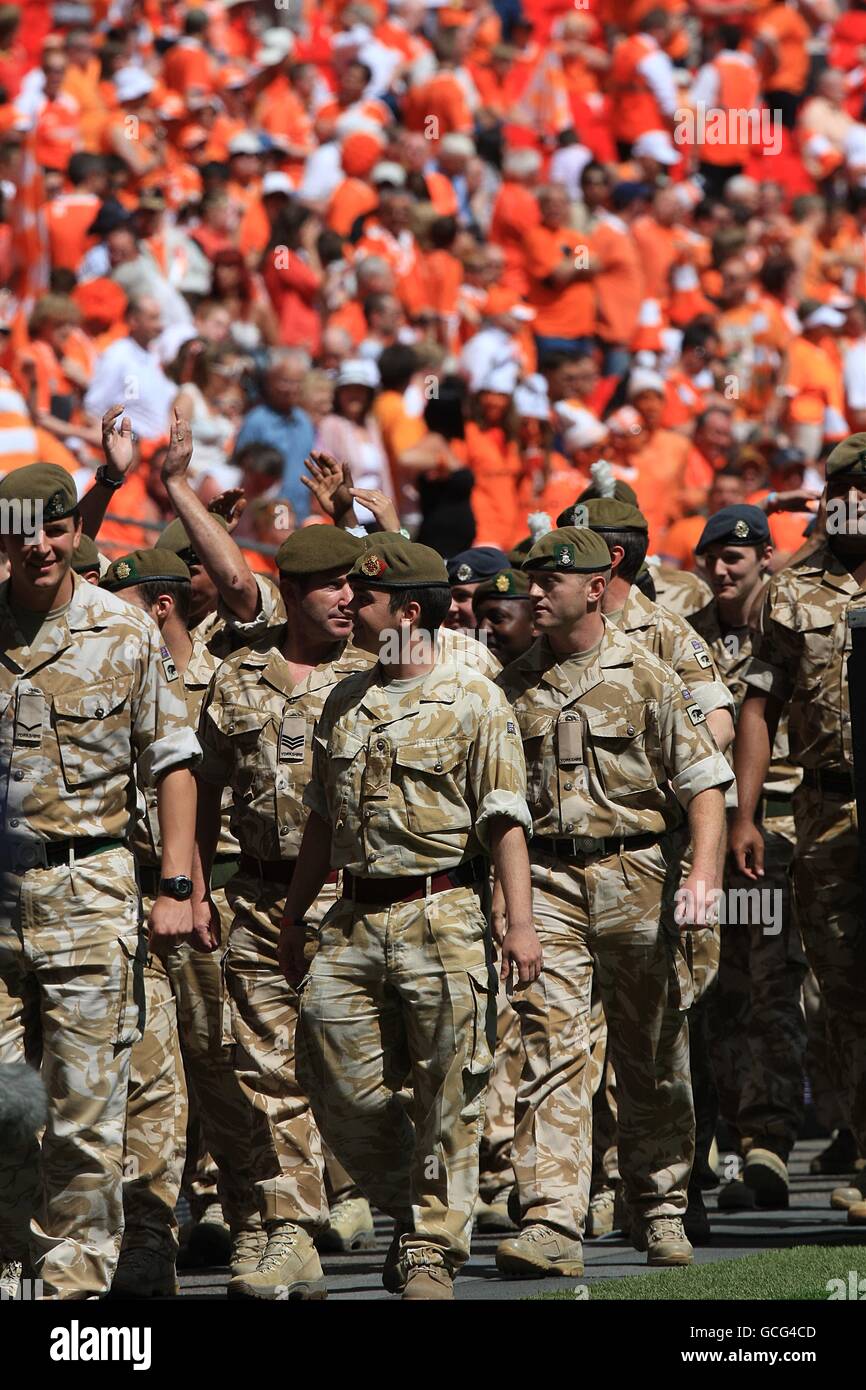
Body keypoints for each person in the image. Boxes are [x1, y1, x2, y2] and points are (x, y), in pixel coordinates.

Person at [279, 534, 539, 1300]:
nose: (348, 603)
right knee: (336, 1082)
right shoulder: (344, 697)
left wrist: (518, 922)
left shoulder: (473, 697)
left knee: (450, 1091)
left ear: (409, 612)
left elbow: (504, 819)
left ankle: (430, 1245)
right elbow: (322, 821)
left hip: (444, 910)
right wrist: (295, 916)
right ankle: (417, 1203)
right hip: (354, 915)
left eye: (365, 595)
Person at [495, 524, 731, 1276]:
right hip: (552, 883)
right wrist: (512, 908)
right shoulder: (513, 685)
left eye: (549, 581)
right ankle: (553, 1220)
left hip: (640, 878)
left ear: (595, 587)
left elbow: (705, 785)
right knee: (550, 1049)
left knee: (652, 1052)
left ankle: (659, 1206)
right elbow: (501, 808)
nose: (533, 591)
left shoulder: (648, 673)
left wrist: (702, 878)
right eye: (529, 579)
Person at [0, 462, 200, 1301]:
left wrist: (178, 884)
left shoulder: (121, 633)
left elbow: (175, 761)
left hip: (89, 893)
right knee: (8, 1110)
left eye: (55, 529)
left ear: (76, 533)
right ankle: (13, 1253)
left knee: (86, 1114)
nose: (40, 546)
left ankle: (70, 1285)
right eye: (22, 532)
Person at [192, 525, 374, 1299]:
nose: (349, 598)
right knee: (270, 1074)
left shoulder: (385, 673)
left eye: (354, 585)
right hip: (262, 898)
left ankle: (422, 1217)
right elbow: (200, 790)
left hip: (361, 904)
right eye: (333, 585)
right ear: (293, 594)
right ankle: (292, 1232)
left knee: (360, 1080)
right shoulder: (237, 679)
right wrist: (195, 886)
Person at [731, 433, 866, 1227]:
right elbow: (759, 705)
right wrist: (747, 815)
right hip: (826, 809)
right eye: (847, 493)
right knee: (846, 991)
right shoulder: (793, 592)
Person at [689, 505, 807, 1209]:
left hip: (778, 832)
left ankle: (770, 1139)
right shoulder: (688, 636)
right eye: (713, 558)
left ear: (766, 556)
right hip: (707, 838)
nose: (723, 569)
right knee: (717, 989)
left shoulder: (788, 628)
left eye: (737, 557)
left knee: (773, 984)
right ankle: (723, 1142)